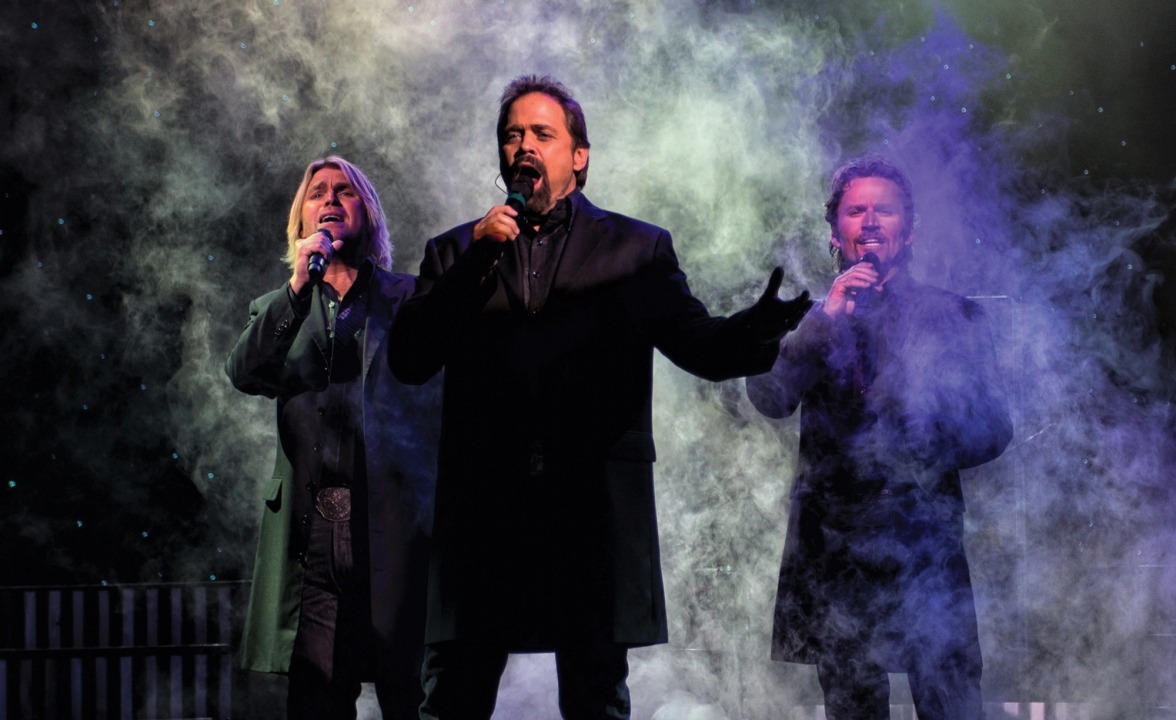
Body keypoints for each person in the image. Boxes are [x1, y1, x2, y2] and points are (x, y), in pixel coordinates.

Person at [387, 75, 812, 719]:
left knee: (594, 696)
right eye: (512, 135)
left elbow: (696, 343)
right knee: (452, 696)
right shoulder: (456, 252)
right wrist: (477, 259)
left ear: (579, 155)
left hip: (589, 517)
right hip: (485, 517)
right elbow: (410, 358)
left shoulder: (635, 249)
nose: (523, 144)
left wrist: (756, 331)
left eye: (541, 133)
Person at [745, 154, 1014, 720]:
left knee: (951, 702)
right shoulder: (810, 320)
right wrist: (826, 319)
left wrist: (929, 436)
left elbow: (994, 427)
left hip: (925, 550)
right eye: (855, 210)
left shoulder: (953, 316)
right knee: (853, 706)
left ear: (908, 229)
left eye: (884, 210)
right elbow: (769, 398)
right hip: (837, 558)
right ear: (835, 232)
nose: (869, 222)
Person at [225, 156, 438, 720]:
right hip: (313, 538)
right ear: (301, 223)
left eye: (346, 192)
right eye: (317, 192)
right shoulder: (276, 309)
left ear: (369, 217)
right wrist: (298, 289)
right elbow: (244, 374)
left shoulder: (411, 298)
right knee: (318, 696)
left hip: (393, 529)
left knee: (406, 695)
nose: (330, 199)